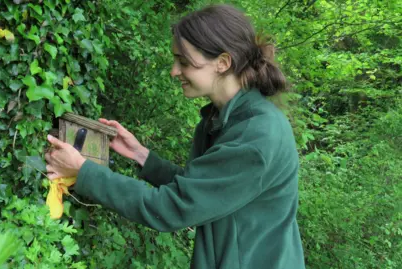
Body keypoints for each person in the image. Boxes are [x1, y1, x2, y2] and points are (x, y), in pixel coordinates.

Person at [45, 4, 306, 269]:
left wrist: (83, 171)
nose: (174, 71)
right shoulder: (221, 120)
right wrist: (141, 155)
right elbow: (203, 189)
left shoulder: (257, 135)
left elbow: (174, 207)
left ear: (223, 62)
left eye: (184, 62)